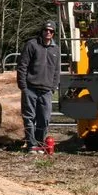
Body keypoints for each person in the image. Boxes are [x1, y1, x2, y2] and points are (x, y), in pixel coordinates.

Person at [17, 20, 61, 153]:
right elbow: (22, 66)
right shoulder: (32, 45)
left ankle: (40, 144)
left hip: (46, 90)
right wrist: (23, 86)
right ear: (42, 31)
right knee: (29, 118)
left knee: (44, 119)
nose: (48, 32)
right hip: (30, 88)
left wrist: (53, 86)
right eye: (46, 30)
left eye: (51, 31)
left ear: (53, 33)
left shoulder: (56, 49)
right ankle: (31, 145)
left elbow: (57, 70)